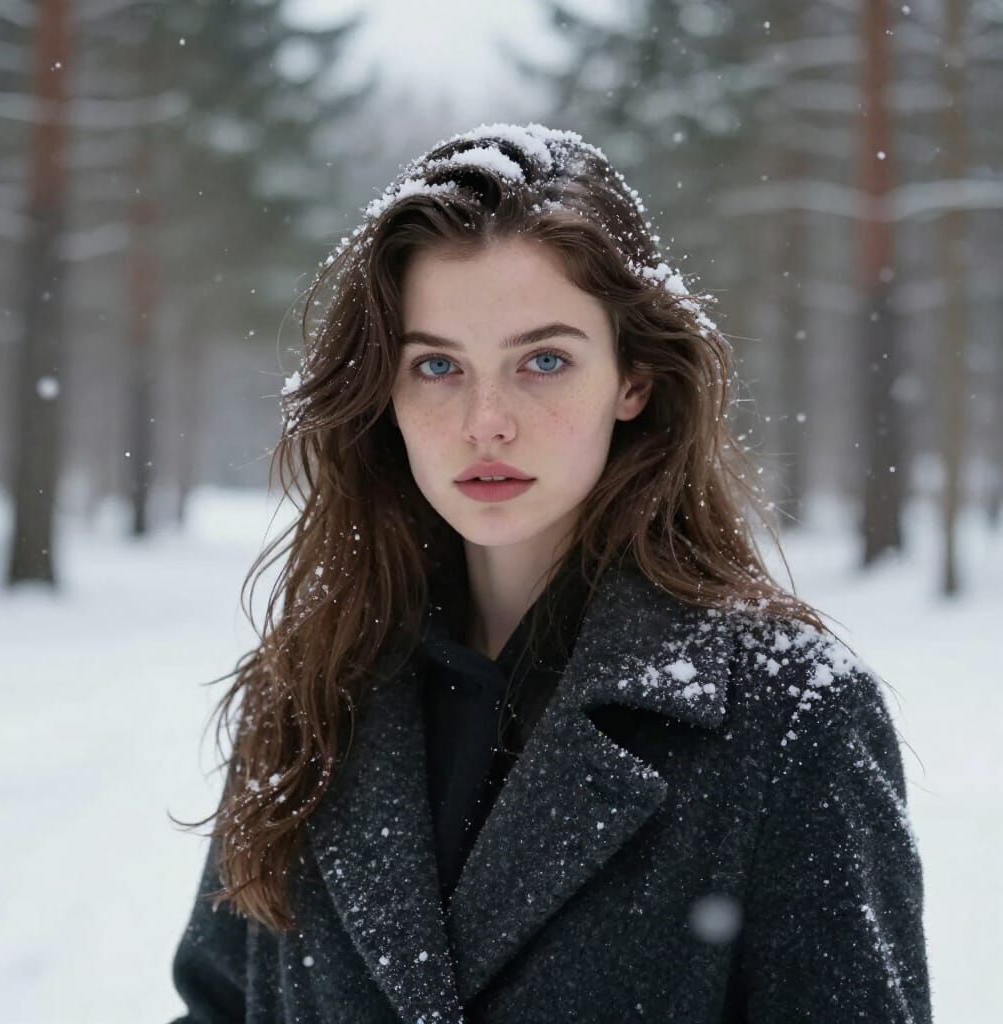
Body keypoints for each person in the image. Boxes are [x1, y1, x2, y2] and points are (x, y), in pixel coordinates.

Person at [167, 122, 932, 1023]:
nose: (486, 420)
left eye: (544, 361)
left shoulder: (790, 716)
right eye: (438, 365)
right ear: (386, 392)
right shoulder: (309, 684)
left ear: (633, 380)